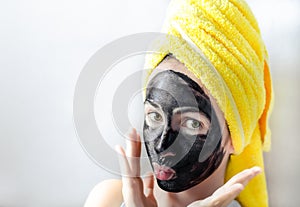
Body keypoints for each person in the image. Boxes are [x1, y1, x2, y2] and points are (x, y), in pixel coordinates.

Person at [84, 0, 273, 206]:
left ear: (235, 138)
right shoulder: (109, 198)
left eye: (192, 123)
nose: (163, 145)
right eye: (154, 116)